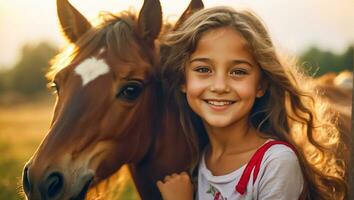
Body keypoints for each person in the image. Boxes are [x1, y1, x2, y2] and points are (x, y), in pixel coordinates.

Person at [157, 6, 347, 200]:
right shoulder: (199, 161)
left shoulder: (275, 162)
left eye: (238, 72)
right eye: (203, 69)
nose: (220, 86)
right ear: (183, 80)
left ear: (261, 85)